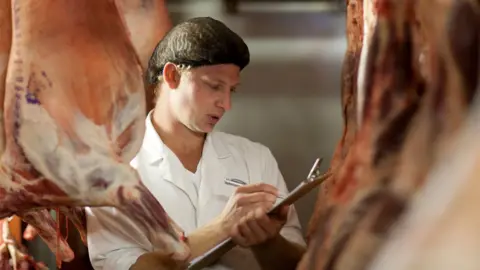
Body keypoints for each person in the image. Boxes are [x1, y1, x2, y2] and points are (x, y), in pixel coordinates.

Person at [85, 17, 307, 270]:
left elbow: (297, 264)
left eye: (231, 90)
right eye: (214, 86)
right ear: (172, 75)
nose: (226, 104)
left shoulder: (255, 157)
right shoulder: (114, 169)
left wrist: (267, 242)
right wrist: (222, 228)